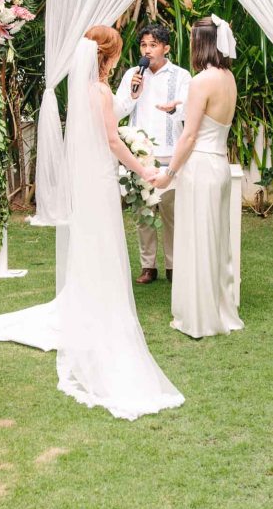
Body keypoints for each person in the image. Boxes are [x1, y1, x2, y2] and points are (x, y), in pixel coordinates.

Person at [56, 26, 185, 419]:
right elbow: (112, 140)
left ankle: (89, 298)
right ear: (109, 57)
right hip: (100, 174)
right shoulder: (98, 90)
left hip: (89, 175)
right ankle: (103, 306)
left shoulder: (87, 91)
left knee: (92, 240)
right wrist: (143, 169)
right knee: (104, 239)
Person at [154, 16, 244, 338]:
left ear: (201, 43)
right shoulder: (227, 77)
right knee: (214, 241)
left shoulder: (200, 80)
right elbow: (210, 120)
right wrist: (181, 103)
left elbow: (189, 136)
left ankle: (199, 317)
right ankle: (217, 308)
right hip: (218, 163)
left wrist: (169, 173)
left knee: (196, 240)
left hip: (199, 168)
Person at [114, 23, 190, 284]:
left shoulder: (181, 76)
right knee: (143, 213)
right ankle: (148, 266)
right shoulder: (132, 75)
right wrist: (134, 94)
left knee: (171, 213)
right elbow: (118, 111)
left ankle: (173, 265)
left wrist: (173, 109)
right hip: (140, 155)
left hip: (170, 154)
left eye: (153, 45)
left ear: (166, 48)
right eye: (144, 45)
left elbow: (187, 111)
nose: (147, 50)